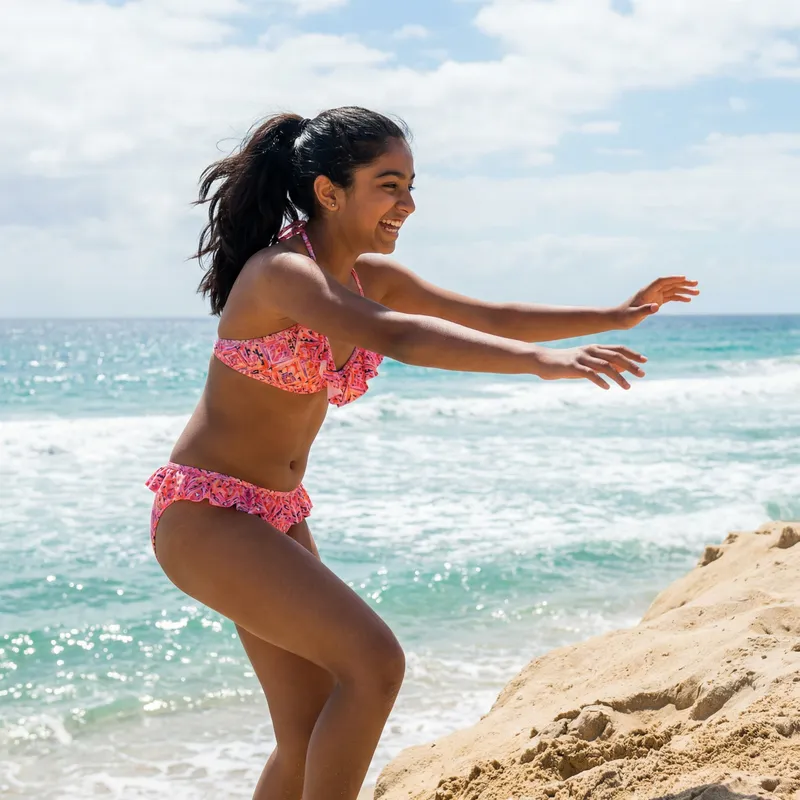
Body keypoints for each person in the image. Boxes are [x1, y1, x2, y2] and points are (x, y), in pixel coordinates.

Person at [145, 106, 699, 800]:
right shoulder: (282, 273)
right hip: (208, 515)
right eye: (389, 184)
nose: (408, 203)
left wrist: (617, 314)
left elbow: (491, 315)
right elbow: (399, 338)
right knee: (374, 665)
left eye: (410, 185)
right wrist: (540, 364)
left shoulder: (363, 274)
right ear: (329, 191)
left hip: (273, 513)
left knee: (306, 731)